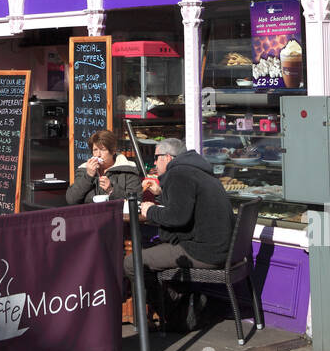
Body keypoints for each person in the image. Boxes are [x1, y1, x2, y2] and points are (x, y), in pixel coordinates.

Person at [124, 138, 234, 330]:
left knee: (131, 262)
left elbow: (177, 217)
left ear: (167, 157)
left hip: (204, 252)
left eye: (156, 158)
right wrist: (160, 193)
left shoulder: (178, 174)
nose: (154, 163)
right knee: (154, 251)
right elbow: (186, 207)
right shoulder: (196, 170)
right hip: (222, 248)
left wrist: (149, 210)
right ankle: (184, 302)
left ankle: (176, 314)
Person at [66, 129, 141, 205]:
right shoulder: (84, 170)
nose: (98, 154)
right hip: (89, 215)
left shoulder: (127, 169)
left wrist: (111, 190)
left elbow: (136, 201)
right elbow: (71, 200)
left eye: (102, 149)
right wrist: (88, 176)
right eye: (95, 150)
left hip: (118, 215)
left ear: (113, 151)